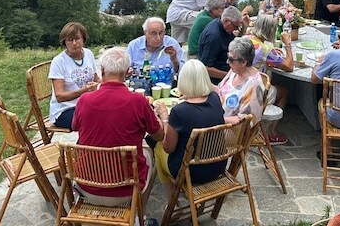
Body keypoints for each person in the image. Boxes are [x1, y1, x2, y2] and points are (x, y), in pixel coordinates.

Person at [71, 47, 164, 224]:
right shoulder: (138, 101)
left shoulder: (84, 100)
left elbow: (75, 127)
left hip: (86, 186)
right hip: (126, 190)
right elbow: (159, 136)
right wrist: (162, 117)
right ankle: (140, 217)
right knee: (149, 153)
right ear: (127, 72)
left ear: (102, 70)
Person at [152, 60, 226, 198]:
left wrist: (164, 118)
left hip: (189, 172)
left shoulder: (180, 112)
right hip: (217, 166)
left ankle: (171, 198)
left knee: (157, 146)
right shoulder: (215, 99)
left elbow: (168, 148)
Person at [245, 13, 294, 144]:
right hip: (254, 93)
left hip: (242, 86)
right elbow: (289, 66)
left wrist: (272, 51)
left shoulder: (245, 38)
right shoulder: (265, 50)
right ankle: (271, 133)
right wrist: (288, 45)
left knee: (274, 83)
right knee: (283, 91)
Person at [48, 22, 100, 129]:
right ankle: (86, 140)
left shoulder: (88, 54)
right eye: (70, 40)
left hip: (87, 104)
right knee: (95, 120)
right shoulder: (58, 61)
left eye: (77, 38)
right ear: (64, 42)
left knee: (111, 110)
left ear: (83, 39)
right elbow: (60, 96)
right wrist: (84, 90)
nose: (74, 43)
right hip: (65, 110)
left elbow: (97, 79)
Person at [217, 37, 266, 125]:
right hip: (216, 115)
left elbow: (245, 121)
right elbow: (219, 90)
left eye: (231, 59)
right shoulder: (234, 71)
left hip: (227, 128)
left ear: (243, 62)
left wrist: (215, 119)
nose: (227, 62)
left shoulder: (253, 85)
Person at [198, 6, 242, 84]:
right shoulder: (214, 36)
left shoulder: (224, 27)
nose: (236, 30)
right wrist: (230, 76)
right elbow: (206, 68)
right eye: (235, 26)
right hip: (215, 82)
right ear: (226, 21)